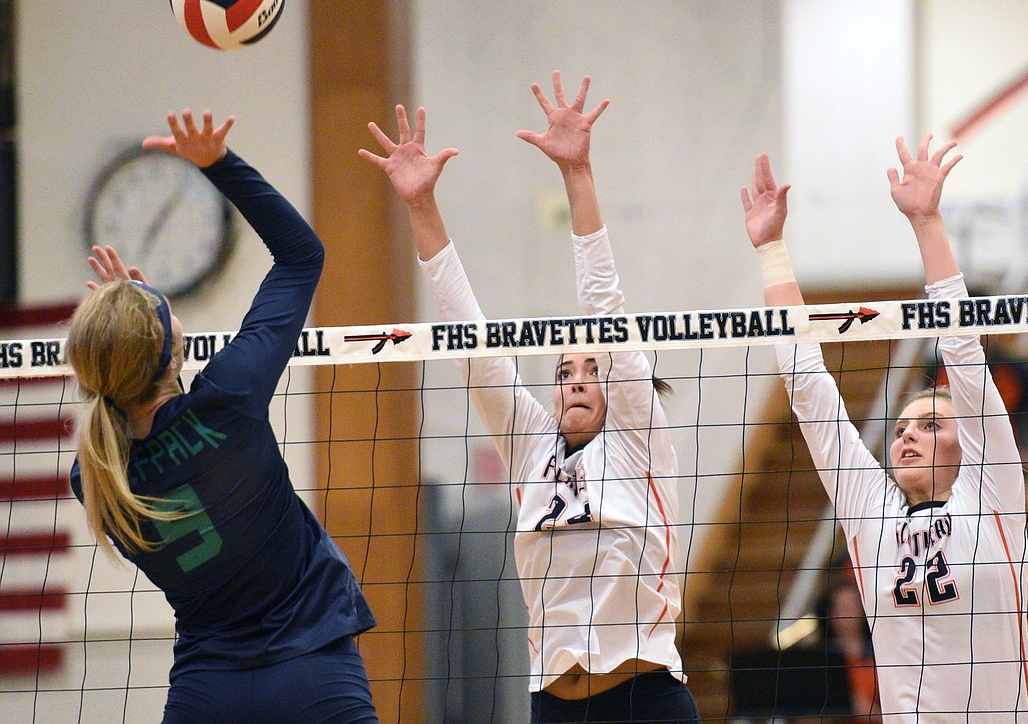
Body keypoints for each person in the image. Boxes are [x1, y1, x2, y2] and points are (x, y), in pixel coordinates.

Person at [360, 73, 700, 723]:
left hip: (647, 703)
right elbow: (472, 344)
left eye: (590, 368)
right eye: (564, 369)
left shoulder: (639, 441)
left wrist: (578, 173)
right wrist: (421, 207)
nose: (575, 377)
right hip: (554, 706)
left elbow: (604, 304)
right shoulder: (531, 443)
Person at [66, 110, 378, 723]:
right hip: (313, 666)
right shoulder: (230, 399)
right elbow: (299, 256)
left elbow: (140, 406)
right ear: (169, 349)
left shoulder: (95, 477)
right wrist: (218, 165)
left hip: (210, 692)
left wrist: (130, 328)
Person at [740, 136, 1028, 721]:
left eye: (931, 424)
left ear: (970, 448)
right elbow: (809, 391)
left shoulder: (992, 498)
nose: (906, 435)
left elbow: (961, 351)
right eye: (903, 427)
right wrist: (772, 250)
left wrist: (927, 222)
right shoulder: (871, 516)